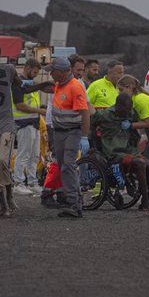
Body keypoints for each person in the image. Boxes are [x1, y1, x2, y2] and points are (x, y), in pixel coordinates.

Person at [0, 43, 46, 218]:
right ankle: (3, 205)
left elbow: (22, 88)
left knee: (2, 160)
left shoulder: (8, 70)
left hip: (6, 124)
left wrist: (44, 85)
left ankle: (10, 195)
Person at [91, 93, 149, 211]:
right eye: (125, 110)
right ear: (118, 107)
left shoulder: (131, 114)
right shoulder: (105, 115)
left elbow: (136, 130)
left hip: (129, 150)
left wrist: (133, 138)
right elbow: (91, 123)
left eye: (129, 110)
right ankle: (145, 202)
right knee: (140, 163)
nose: (127, 113)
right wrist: (95, 145)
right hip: (114, 152)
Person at [47, 56, 90, 218]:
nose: (51, 74)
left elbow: (85, 113)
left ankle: (73, 202)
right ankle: (72, 199)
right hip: (60, 131)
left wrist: (84, 136)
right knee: (63, 164)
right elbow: (48, 87)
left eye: (53, 71)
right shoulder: (60, 84)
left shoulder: (75, 87)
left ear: (62, 72)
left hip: (72, 131)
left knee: (67, 165)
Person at [11, 58, 47, 196]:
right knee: (24, 154)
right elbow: (19, 105)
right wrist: (39, 111)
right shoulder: (18, 84)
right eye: (35, 72)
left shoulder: (29, 84)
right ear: (27, 68)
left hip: (34, 123)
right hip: (23, 123)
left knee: (34, 155)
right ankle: (18, 183)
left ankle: (32, 182)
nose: (36, 75)